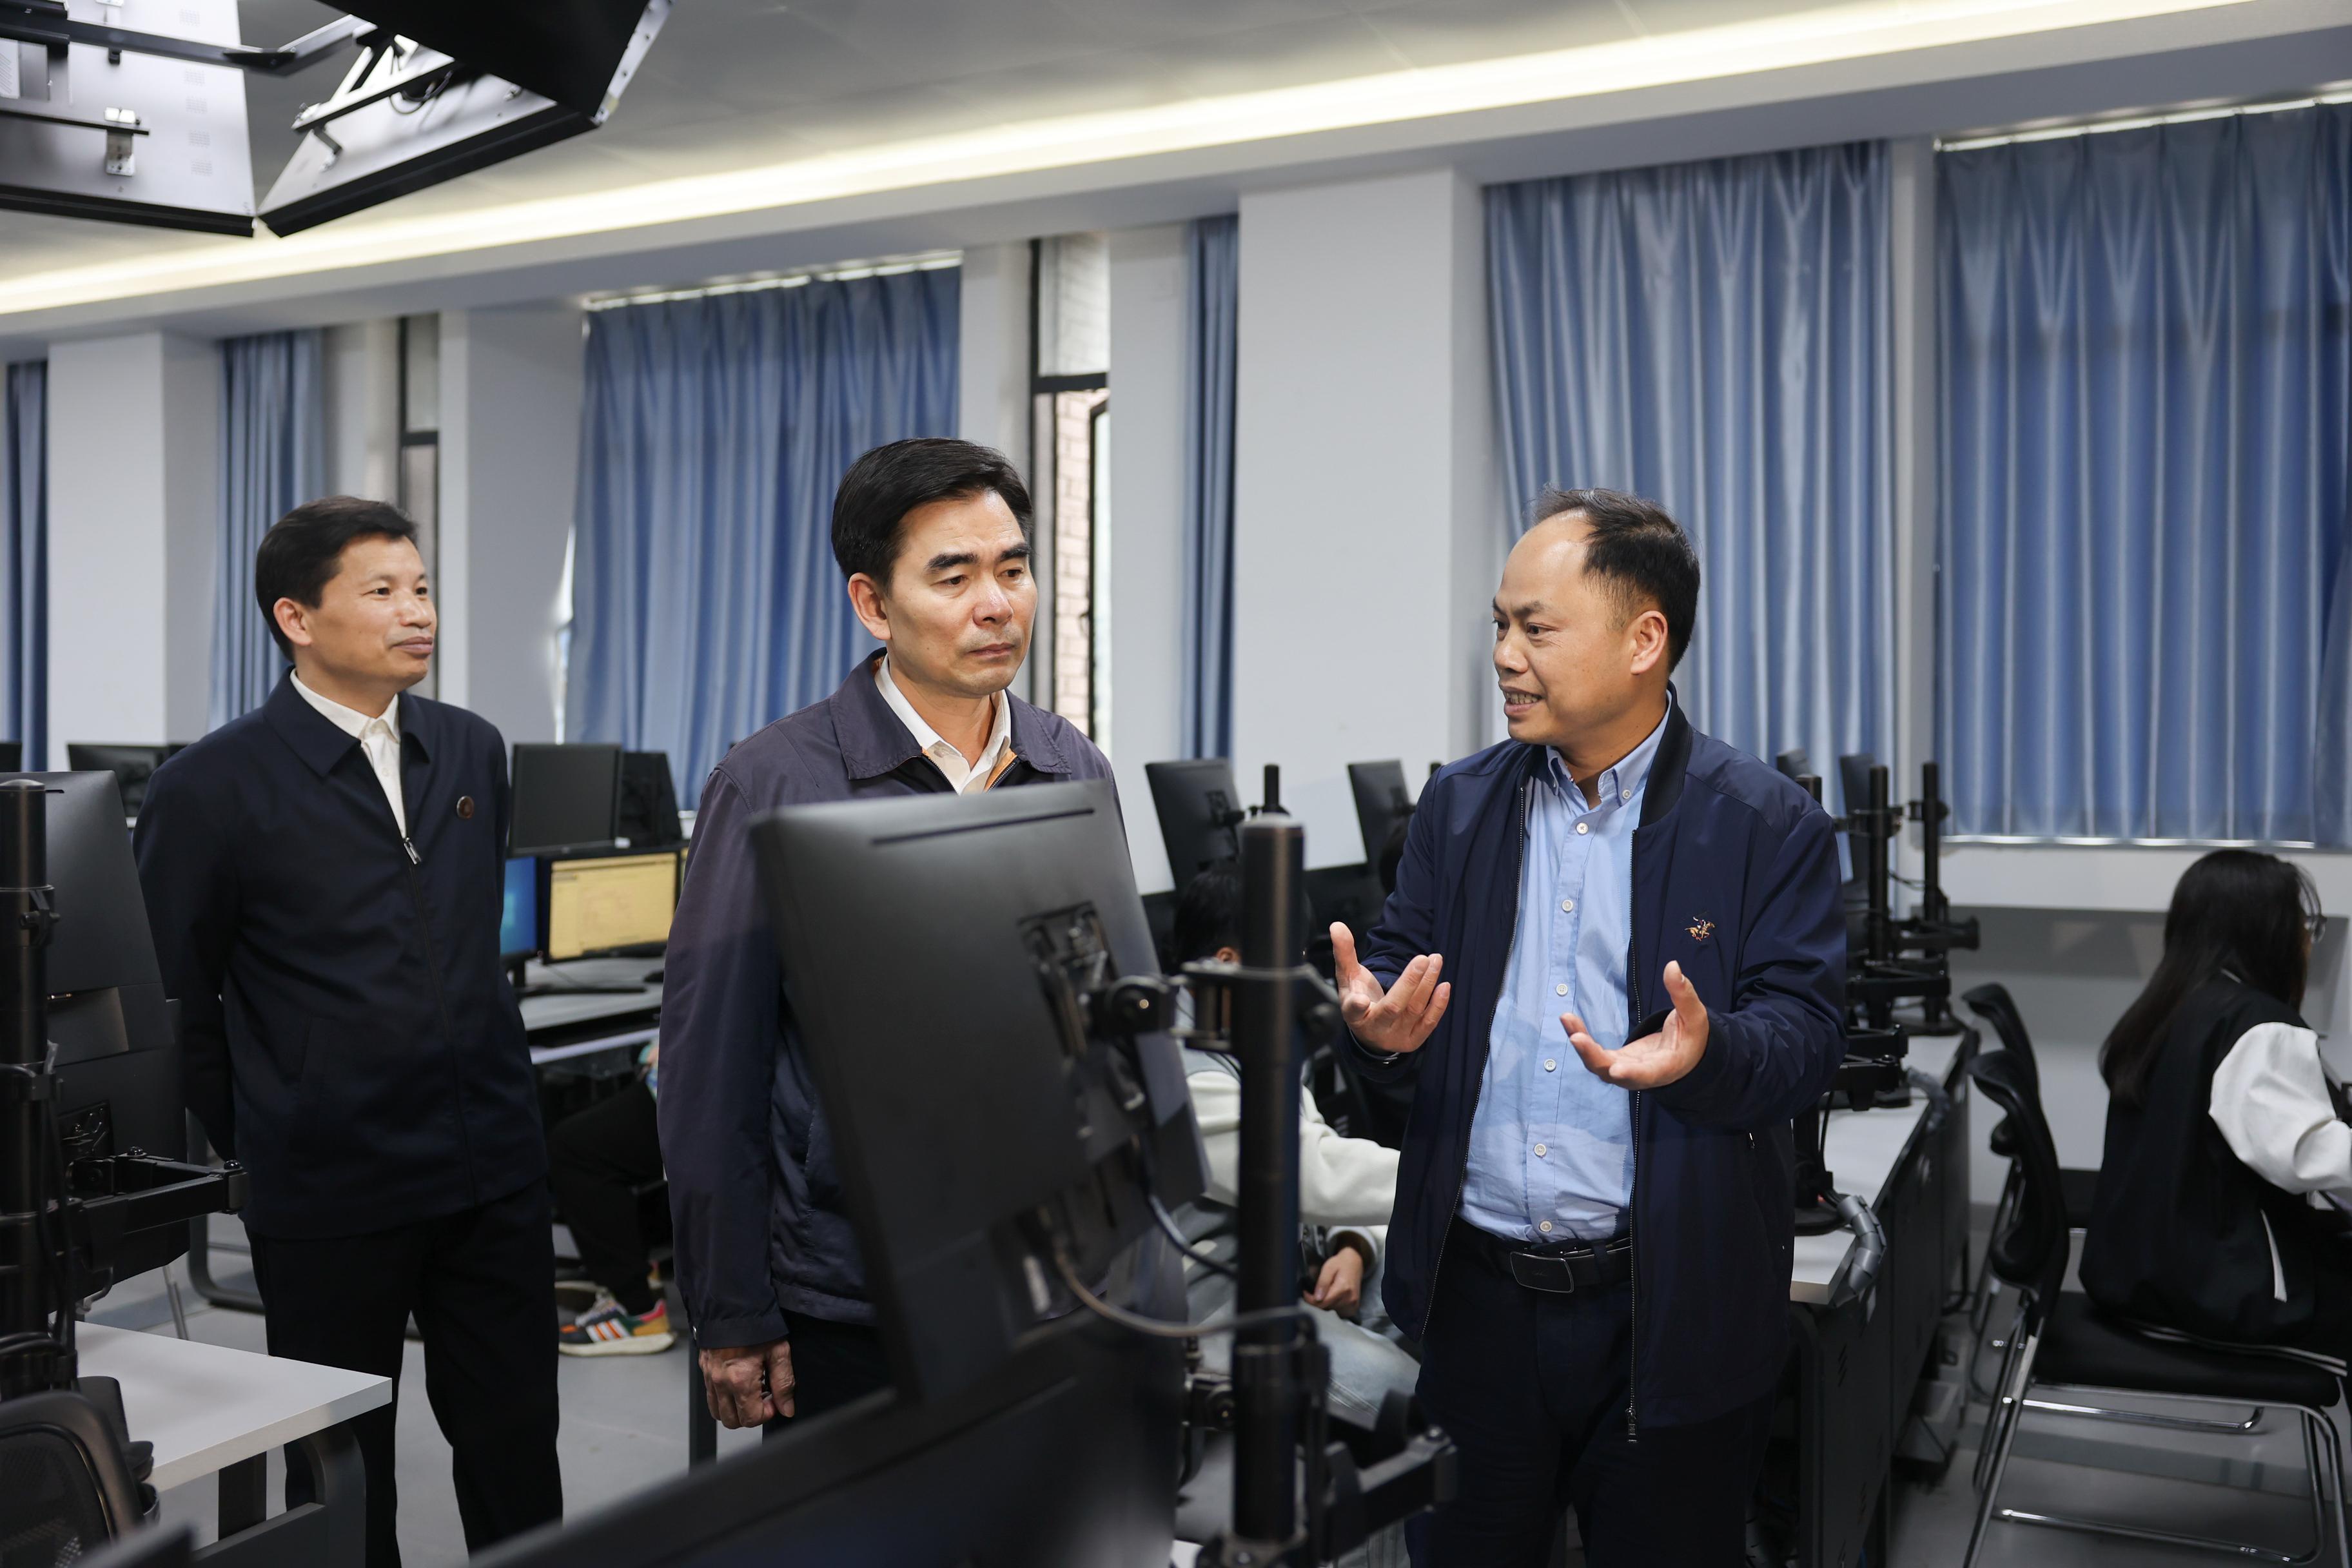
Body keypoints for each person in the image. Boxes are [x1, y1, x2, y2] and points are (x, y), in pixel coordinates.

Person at [1334, 488, 1845, 1567]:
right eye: (1498, 625)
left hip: (1667, 1315)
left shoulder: (1763, 823)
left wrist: (1710, 1055)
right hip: (1478, 1310)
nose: (1503, 656)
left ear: (1643, 640)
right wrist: (1378, 1033)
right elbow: (1394, 980)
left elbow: (1805, 1039)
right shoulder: (1459, 806)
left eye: (1536, 627)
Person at [135, 496, 560, 1567]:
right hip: (331, 1190)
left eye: (421, 588)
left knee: (516, 1445)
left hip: (493, 1170)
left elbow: (469, 946)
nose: (417, 612)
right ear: (297, 617)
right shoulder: (210, 787)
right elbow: (174, 1004)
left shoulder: (470, 749)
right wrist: (271, 1125)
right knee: (342, 1473)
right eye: (382, 591)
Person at [660, 438, 1116, 1433]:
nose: (997, 605)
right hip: (851, 1290)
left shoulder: (1069, 765)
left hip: (1045, 1274)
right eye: (954, 578)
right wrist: (731, 1309)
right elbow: (712, 1071)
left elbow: (1096, 1018)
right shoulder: (774, 782)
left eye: (1013, 569)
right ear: (873, 603)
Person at [1168, 864, 1421, 1435]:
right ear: (1227, 963)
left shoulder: (1249, 1037)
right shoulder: (1180, 1068)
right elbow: (1306, 1171)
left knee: (1449, 1297)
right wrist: (1452, 1176)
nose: (1302, 977)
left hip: (1291, 1278)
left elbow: (1318, 1144)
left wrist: (1354, 1245)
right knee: (1417, 1401)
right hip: (1220, 1315)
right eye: (1291, 959)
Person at [2079, 850, 2352, 1351]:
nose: (2307, 941)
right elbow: (2307, 1156)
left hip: (2139, 1268)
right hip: (2216, 1292)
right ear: (2267, 932)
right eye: (2302, 925)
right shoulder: (2257, 1026)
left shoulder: (2171, 1004)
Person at [549, 1042, 674, 1355]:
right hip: (688, 1075)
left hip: (697, 1090)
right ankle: (634, 1270)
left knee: (574, 1149)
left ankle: (636, 1309)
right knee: (586, 1118)